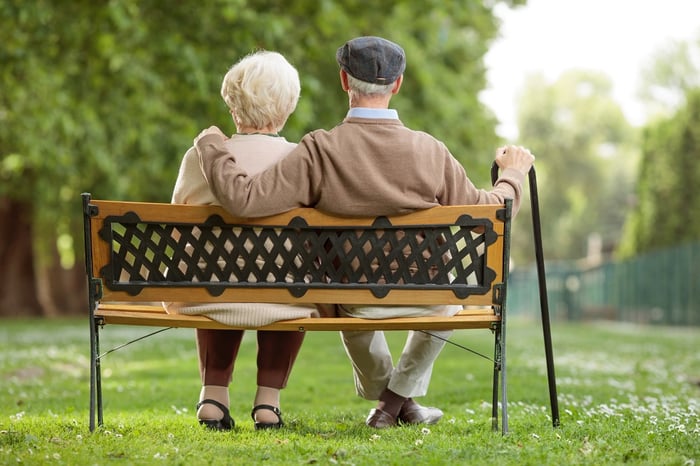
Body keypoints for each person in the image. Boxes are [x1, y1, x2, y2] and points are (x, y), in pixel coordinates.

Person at [194, 36, 535, 429]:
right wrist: (512, 173)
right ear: (397, 84)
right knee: (450, 302)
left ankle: (391, 403)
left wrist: (212, 147)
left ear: (344, 80)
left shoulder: (319, 150)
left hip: (354, 300)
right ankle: (395, 403)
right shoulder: (430, 151)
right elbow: (495, 212)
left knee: (351, 298)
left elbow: (246, 200)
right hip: (429, 296)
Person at [166, 50, 313, 431]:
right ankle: (268, 404)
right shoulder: (300, 159)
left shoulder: (199, 158)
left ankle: (212, 397)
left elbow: (179, 223)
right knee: (287, 283)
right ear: (287, 108)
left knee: (214, 268)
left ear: (233, 107)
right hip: (283, 298)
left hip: (207, 294)